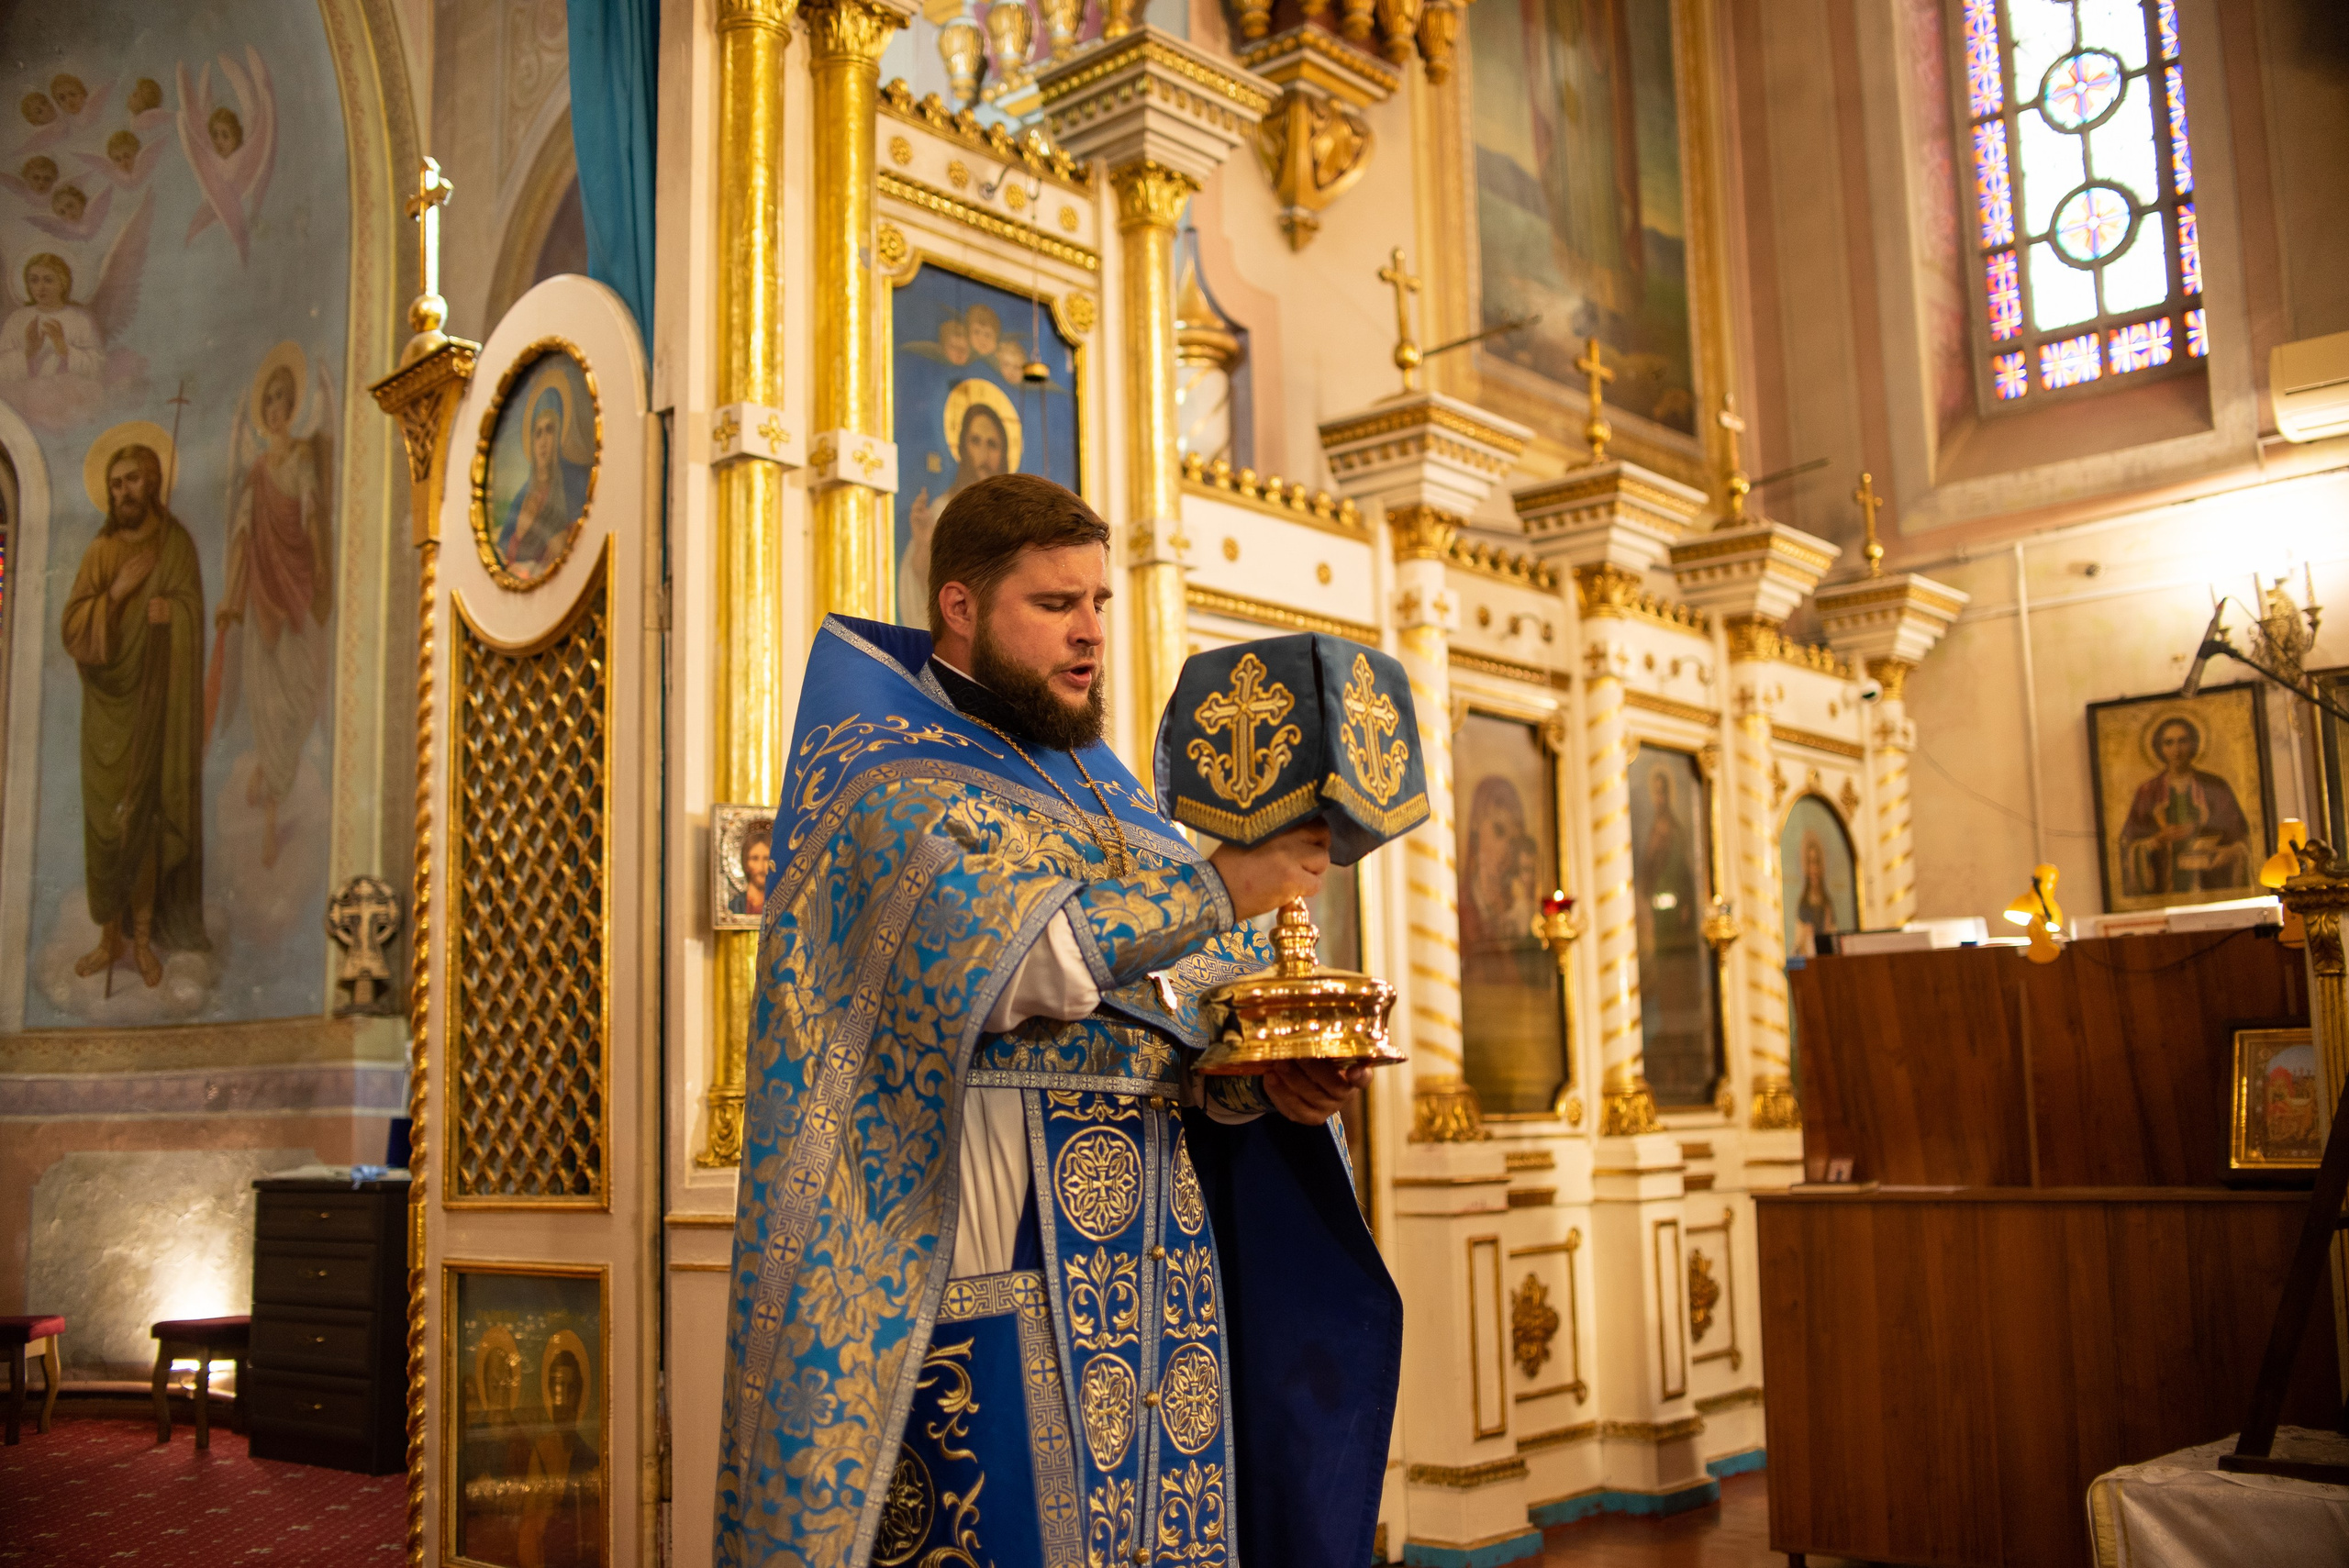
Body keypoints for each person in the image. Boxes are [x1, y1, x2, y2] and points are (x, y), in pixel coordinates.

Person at [718, 473, 1399, 1568]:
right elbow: (1014, 967)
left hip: (1161, 1251)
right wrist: (1224, 884)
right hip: (987, 1226)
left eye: (1098, 604)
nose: (1088, 634)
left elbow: (1172, 1024)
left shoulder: (1107, 789)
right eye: (1054, 604)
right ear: (959, 605)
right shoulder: (887, 774)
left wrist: (1264, 1083)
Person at [59, 443, 208, 987]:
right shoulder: (100, 555)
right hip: (107, 712)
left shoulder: (176, 547)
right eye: (115, 483)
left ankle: (142, 942)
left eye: (132, 480)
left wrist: (176, 616)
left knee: (142, 825)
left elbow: (193, 615)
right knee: (105, 827)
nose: (123, 492)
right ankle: (108, 941)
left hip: (156, 709)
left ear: (152, 482)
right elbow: (74, 628)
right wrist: (117, 596)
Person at [216, 356, 334, 867]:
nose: (277, 409)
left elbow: (311, 517)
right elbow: (242, 536)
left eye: (284, 400)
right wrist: (230, 596)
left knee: (301, 685)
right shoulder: (256, 472)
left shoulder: (303, 459)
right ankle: (271, 788)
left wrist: (324, 568)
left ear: (294, 406)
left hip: (298, 587)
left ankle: (283, 780)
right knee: (265, 693)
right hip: (263, 593)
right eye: (269, 402)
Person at [897, 397, 1008, 625]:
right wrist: (923, 544)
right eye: (976, 441)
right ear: (963, 448)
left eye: (993, 444)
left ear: (1004, 452)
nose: (984, 454)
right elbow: (917, 588)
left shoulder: (1016, 516)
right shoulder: (942, 511)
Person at [2120, 715, 2253, 897]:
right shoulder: (2148, 791)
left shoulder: (2216, 787)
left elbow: (2241, 840)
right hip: (2163, 886)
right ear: (2160, 748)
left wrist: (2218, 850)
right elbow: (2128, 844)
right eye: (2169, 743)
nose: (2177, 750)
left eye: (2183, 741)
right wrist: (2156, 840)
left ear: (2194, 744)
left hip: (2209, 887)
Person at [497, 384, 587, 576]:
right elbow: (501, 550)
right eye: (538, 433)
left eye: (549, 430)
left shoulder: (574, 483)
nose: (543, 441)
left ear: (560, 434)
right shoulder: (523, 495)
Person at [1791, 829, 1840, 957]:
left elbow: (1836, 944)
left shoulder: (1827, 904)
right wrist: (1804, 938)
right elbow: (1796, 950)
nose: (1813, 869)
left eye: (1816, 862)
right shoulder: (1804, 905)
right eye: (1810, 862)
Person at [729, 832, 771, 917]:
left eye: (766, 858)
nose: (761, 867)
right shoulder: (735, 906)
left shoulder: (780, 906)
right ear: (746, 862)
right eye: (755, 858)